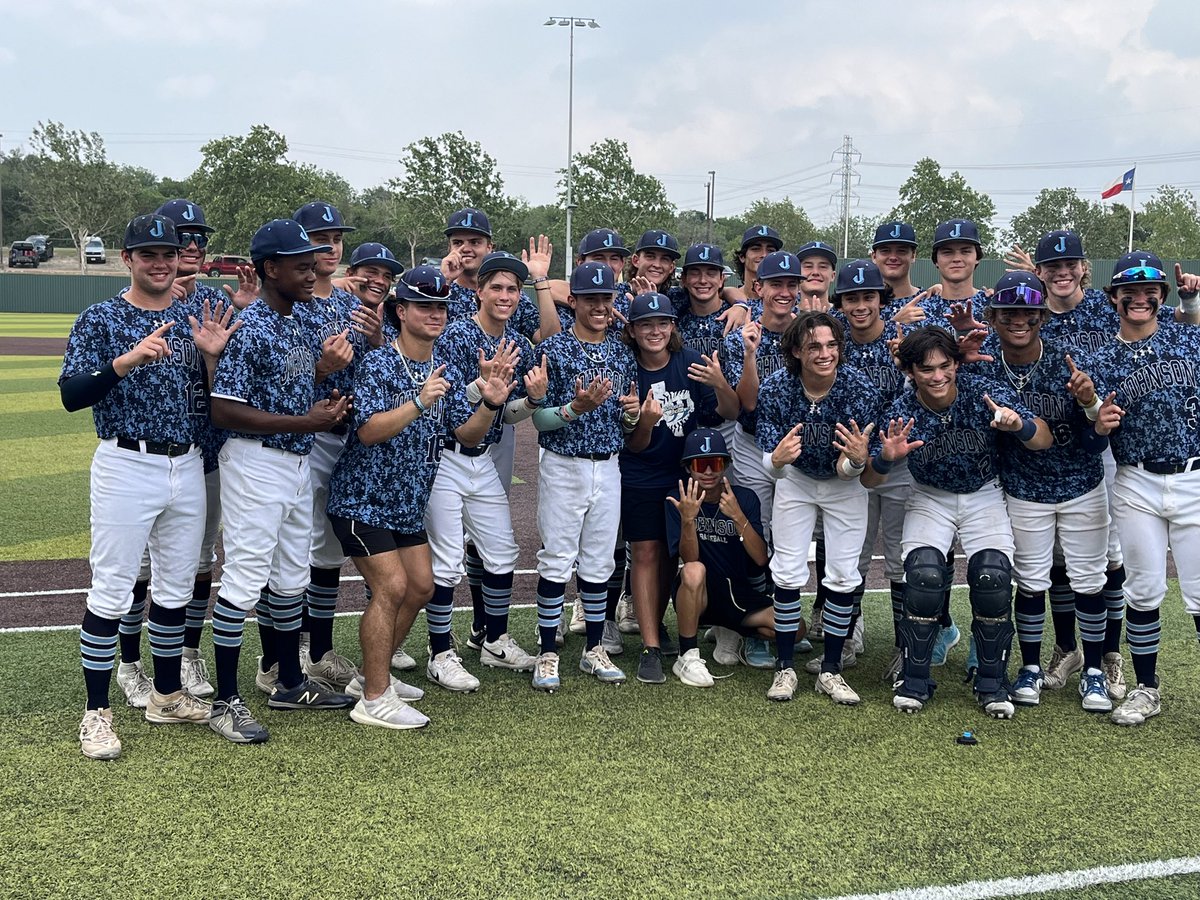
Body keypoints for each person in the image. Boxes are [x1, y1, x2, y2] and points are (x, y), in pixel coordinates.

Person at [61, 213, 239, 759]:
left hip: (186, 464)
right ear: (128, 259)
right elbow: (72, 393)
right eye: (149, 254)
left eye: (169, 253)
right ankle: (97, 713)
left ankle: (166, 695)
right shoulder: (103, 317)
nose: (161, 262)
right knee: (112, 588)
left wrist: (212, 357)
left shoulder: (194, 314)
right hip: (125, 463)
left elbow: (217, 397)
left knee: (175, 590)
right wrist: (127, 360)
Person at [207, 218, 355, 744]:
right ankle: (225, 702)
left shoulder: (295, 318)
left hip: (293, 459)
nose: (312, 270)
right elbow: (224, 410)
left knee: (291, 577)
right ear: (270, 269)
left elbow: (284, 385)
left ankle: (290, 681)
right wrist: (307, 422)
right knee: (246, 579)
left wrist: (318, 402)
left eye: (311, 262)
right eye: (300, 264)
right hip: (255, 461)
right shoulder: (253, 328)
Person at [863, 327, 1053, 718]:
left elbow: (1044, 440)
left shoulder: (982, 393)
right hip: (930, 494)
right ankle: (915, 678)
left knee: (993, 577)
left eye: (945, 366)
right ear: (910, 371)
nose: (937, 376)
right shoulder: (901, 410)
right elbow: (869, 478)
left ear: (956, 364)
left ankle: (991, 682)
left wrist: (1020, 426)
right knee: (925, 575)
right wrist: (885, 458)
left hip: (983, 492)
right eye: (926, 369)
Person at [969, 271, 1113, 711]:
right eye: (1009, 312)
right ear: (993, 318)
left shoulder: (1067, 363)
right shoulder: (984, 361)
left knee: (1089, 582)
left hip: (1081, 483)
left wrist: (1089, 405)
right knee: (1030, 583)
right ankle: (1030, 666)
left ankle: (1092, 672)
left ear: (1041, 316)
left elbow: (1096, 439)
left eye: (1029, 312)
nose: (1020, 320)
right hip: (1024, 488)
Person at [326, 266, 462, 729]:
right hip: (362, 499)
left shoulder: (444, 363)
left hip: (406, 503)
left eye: (441, 306)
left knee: (422, 586)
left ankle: (370, 674)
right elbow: (365, 432)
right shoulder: (380, 362)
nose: (435, 314)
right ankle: (374, 697)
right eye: (424, 305)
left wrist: (490, 400)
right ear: (399, 311)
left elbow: (467, 430)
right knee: (392, 587)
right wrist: (420, 402)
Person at [425, 251, 548, 689]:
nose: (505, 295)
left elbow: (505, 415)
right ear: (478, 291)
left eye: (513, 288)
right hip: (445, 456)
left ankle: (494, 640)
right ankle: (439, 651)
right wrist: (486, 389)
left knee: (501, 552)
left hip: (481, 460)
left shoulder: (518, 342)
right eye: (495, 287)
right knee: (445, 562)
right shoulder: (458, 335)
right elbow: (461, 420)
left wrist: (531, 401)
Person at [1089, 256, 1200, 726]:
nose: (1140, 298)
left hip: (1194, 477)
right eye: (1128, 292)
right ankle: (1147, 689)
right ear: (1113, 298)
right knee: (1144, 589)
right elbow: (1092, 427)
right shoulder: (1099, 359)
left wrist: (1193, 301)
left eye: (1150, 290)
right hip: (1134, 480)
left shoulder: (1187, 336)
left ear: (1163, 297)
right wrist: (1093, 415)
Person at [756, 311, 883, 704]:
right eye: (814, 346)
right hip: (796, 480)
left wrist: (857, 461)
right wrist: (776, 460)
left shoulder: (858, 389)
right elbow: (771, 463)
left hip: (842, 485)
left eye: (831, 345)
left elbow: (852, 471)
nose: (824, 353)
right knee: (788, 568)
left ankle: (831, 669)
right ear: (797, 350)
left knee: (844, 573)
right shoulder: (777, 387)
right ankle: (785, 668)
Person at [618, 291, 738, 683]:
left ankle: (664, 628)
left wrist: (721, 383)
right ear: (633, 330)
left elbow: (728, 412)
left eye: (662, 323)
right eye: (645, 324)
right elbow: (634, 443)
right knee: (646, 552)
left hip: (684, 474)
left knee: (674, 555)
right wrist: (646, 423)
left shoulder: (688, 362)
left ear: (673, 327)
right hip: (640, 473)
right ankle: (651, 647)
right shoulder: (627, 368)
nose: (655, 330)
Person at [530, 262, 638, 690]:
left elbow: (626, 425)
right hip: (563, 464)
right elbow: (538, 419)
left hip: (608, 465)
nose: (598, 306)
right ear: (572, 301)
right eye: (589, 299)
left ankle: (594, 648)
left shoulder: (620, 352)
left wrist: (631, 417)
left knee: (599, 560)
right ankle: (547, 652)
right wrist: (576, 408)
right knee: (556, 558)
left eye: (605, 298)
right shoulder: (555, 349)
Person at [666, 428, 775, 688]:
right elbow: (689, 558)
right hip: (700, 594)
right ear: (688, 468)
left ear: (725, 465)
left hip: (738, 593)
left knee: (794, 630)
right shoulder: (678, 500)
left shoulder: (745, 497)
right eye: (700, 464)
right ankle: (687, 654)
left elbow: (760, 559)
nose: (708, 472)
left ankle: (732, 631)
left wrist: (738, 517)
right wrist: (688, 520)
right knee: (693, 570)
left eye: (714, 463)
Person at [723, 250, 801, 543]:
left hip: (794, 443)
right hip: (752, 443)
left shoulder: (808, 335)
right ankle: (757, 589)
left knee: (790, 532)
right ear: (759, 287)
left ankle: (783, 589)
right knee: (755, 526)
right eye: (775, 284)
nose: (784, 292)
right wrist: (750, 355)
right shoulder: (739, 339)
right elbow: (748, 403)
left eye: (791, 285)